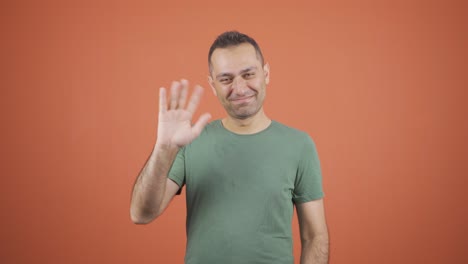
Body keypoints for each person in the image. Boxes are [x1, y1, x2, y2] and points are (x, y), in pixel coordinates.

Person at [130, 31, 329, 264]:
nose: (239, 87)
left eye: (248, 74)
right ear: (213, 85)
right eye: (226, 79)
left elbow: (315, 236)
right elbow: (141, 214)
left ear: (265, 74)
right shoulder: (189, 141)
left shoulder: (299, 145)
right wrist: (163, 148)